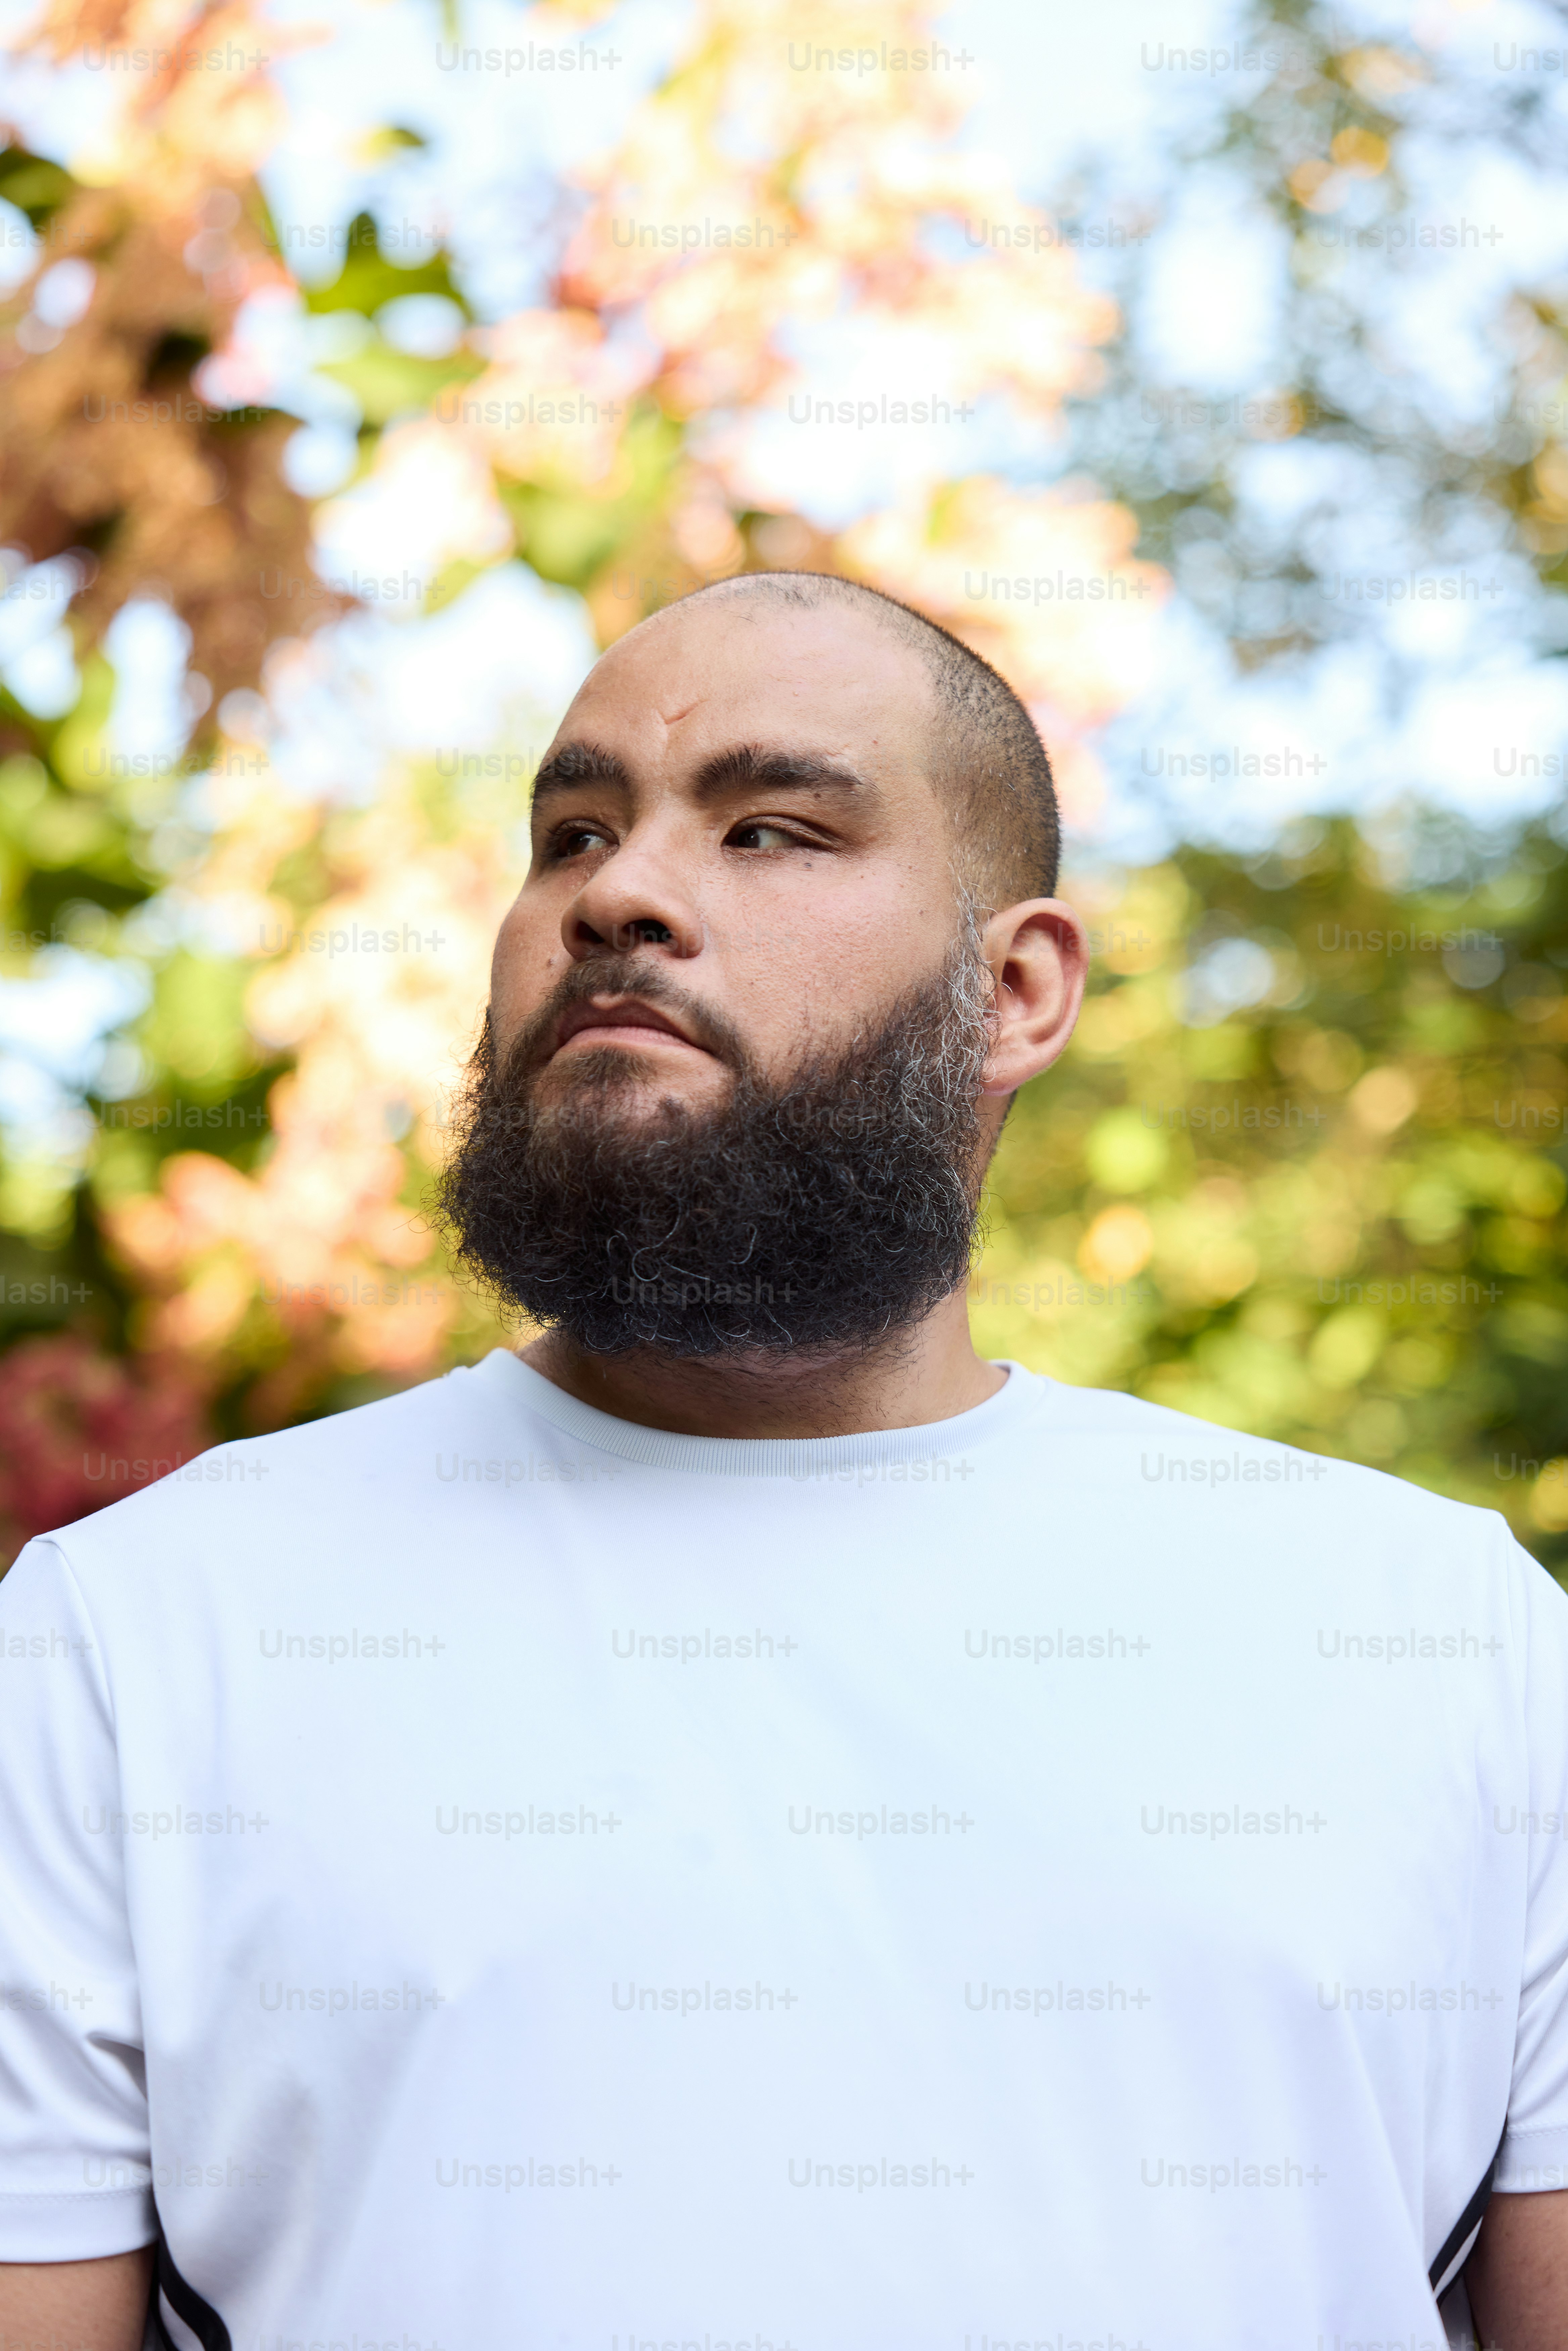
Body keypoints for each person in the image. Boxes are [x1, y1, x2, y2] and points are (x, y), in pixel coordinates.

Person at [0, 572, 1563, 2351]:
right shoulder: (134, 1643)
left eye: (769, 827)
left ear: (1019, 989)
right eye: (571, 831)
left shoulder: (1450, 1644)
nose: (623, 895)